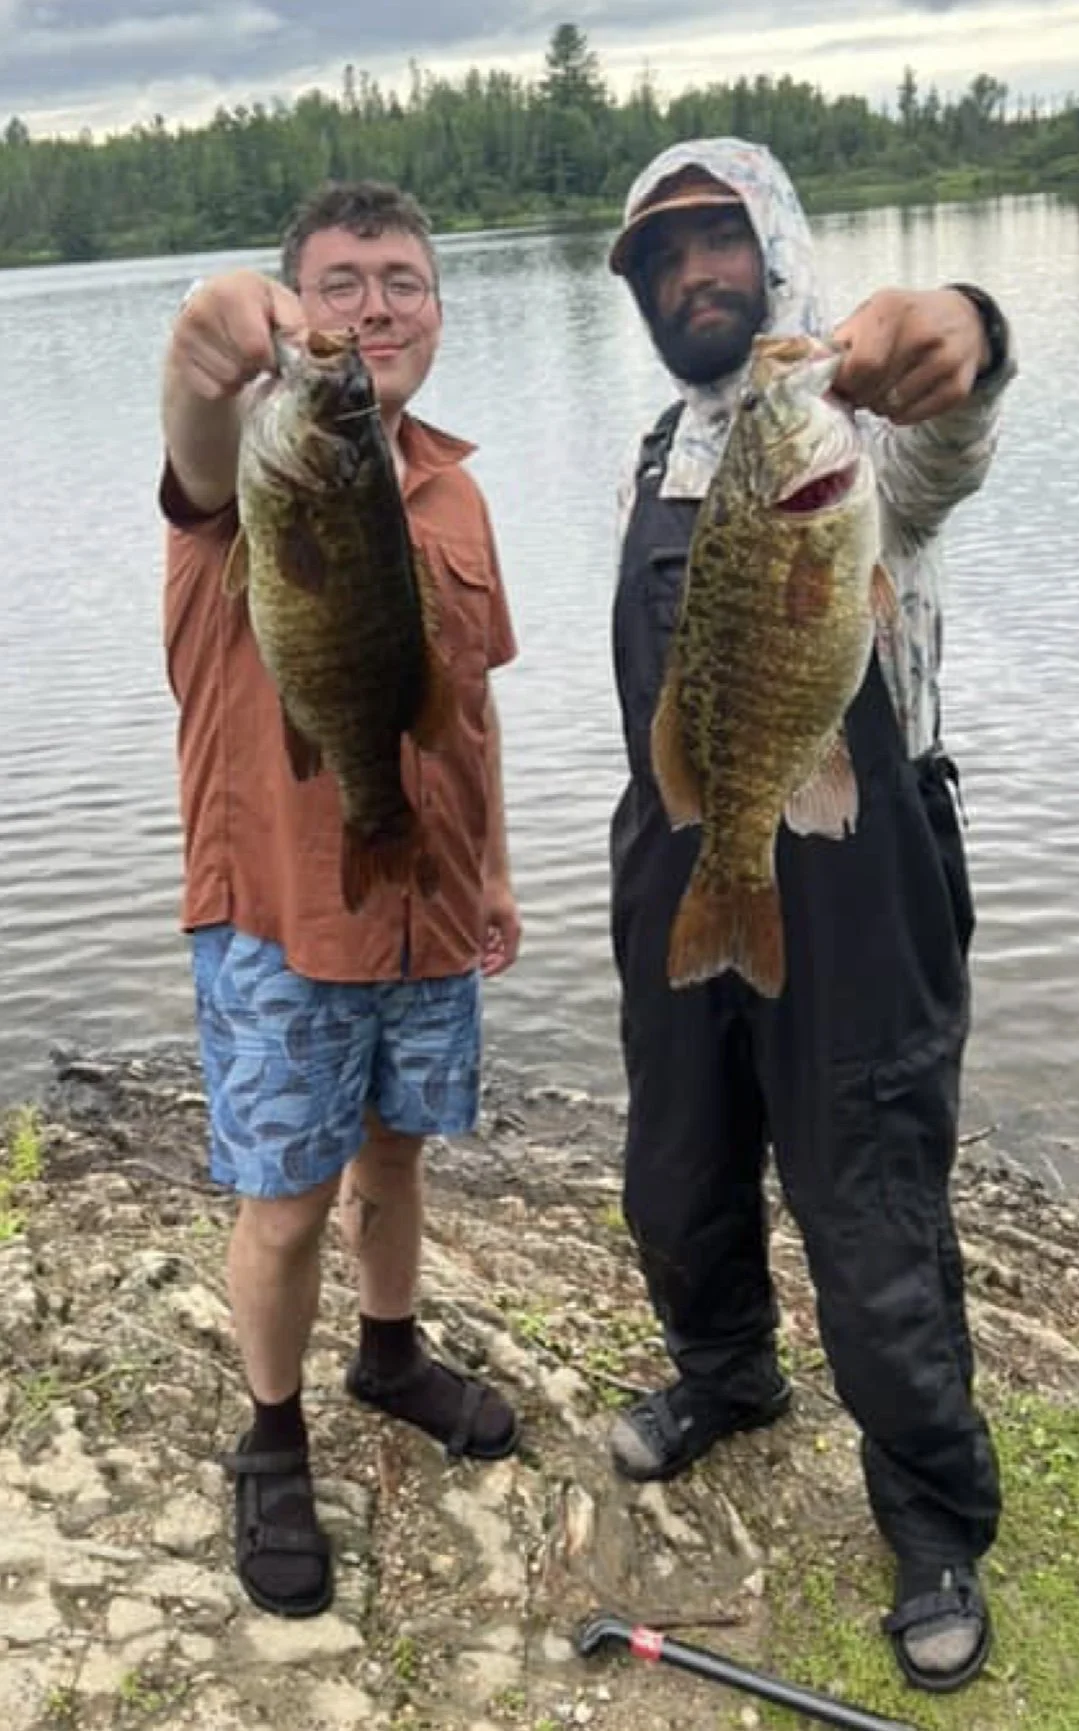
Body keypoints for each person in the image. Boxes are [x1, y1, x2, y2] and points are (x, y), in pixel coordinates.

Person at [605, 137, 1015, 1694]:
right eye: (659, 257)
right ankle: (726, 1375)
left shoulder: (856, 426)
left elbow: (953, 422)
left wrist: (966, 330)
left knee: (868, 1207)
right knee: (677, 1169)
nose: (690, 274)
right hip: (684, 846)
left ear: (773, 246)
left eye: (716, 241)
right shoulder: (651, 447)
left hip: (854, 870)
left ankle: (931, 1520)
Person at [159, 180, 522, 1619]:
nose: (375, 308)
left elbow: (467, 708)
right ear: (291, 308)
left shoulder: (456, 484)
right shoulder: (254, 467)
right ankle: (269, 1437)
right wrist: (206, 347)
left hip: (424, 901)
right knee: (286, 1198)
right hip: (278, 915)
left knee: (397, 1155)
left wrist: (488, 865)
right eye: (342, 283)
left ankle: (387, 1352)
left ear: (437, 309)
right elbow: (197, 434)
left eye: (403, 282)